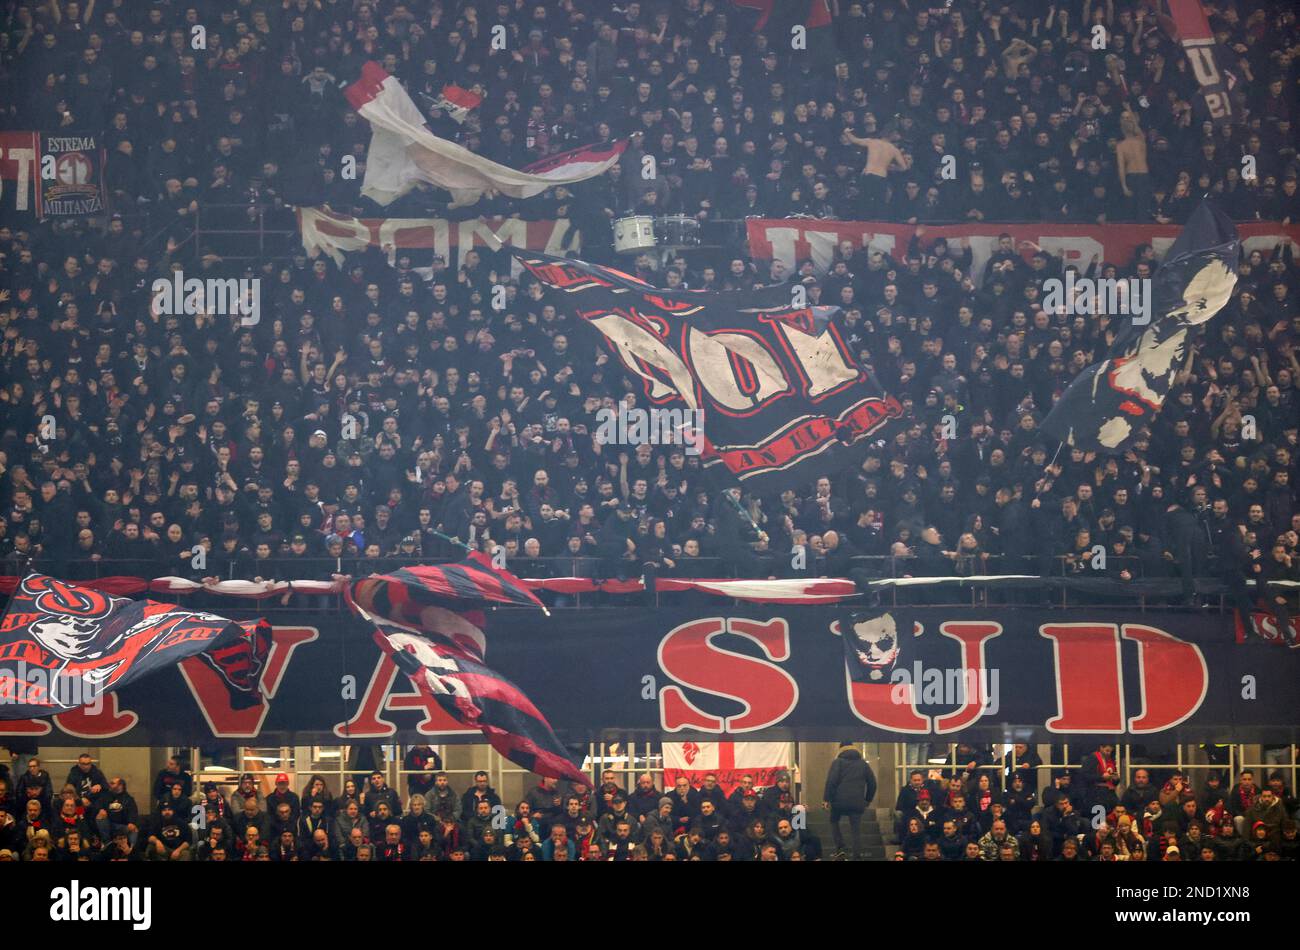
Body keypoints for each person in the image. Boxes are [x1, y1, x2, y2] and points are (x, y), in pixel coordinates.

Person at [822, 742, 877, 861]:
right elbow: (872, 783)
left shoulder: (838, 762)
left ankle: (841, 848)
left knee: (834, 821)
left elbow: (831, 781)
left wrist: (826, 799)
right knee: (855, 830)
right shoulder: (863, 764)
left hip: (838, 801)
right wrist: (867, 800)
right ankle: (857, 857)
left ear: (840, 750)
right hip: (857, 802)